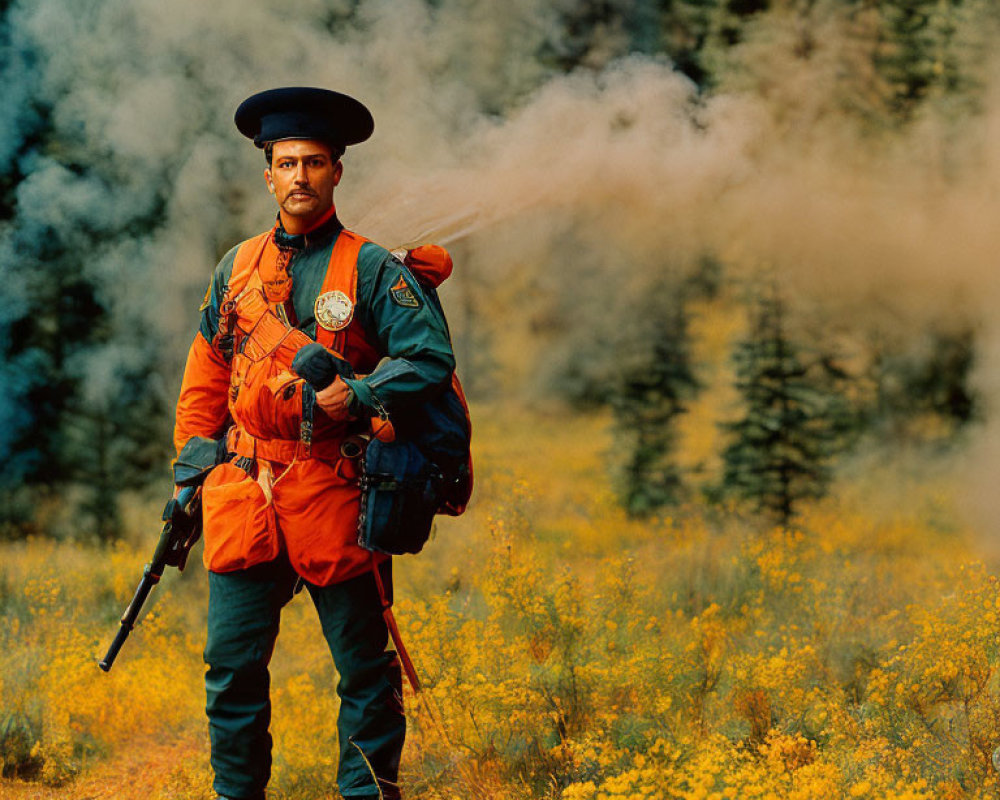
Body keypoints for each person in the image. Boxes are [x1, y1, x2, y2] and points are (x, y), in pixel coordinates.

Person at [173, 87, 457, 800]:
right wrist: (191, 472)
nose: (300, 176)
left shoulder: (369, 268)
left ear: (336, 173)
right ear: (267, 172)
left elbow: (427, 358)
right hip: (243, 493)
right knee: (230, 668)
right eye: (287, 163)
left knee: (364, 671)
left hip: (338, 489)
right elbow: (206, 373)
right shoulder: (235, 268)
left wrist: (359, 395)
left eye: (315, 163)